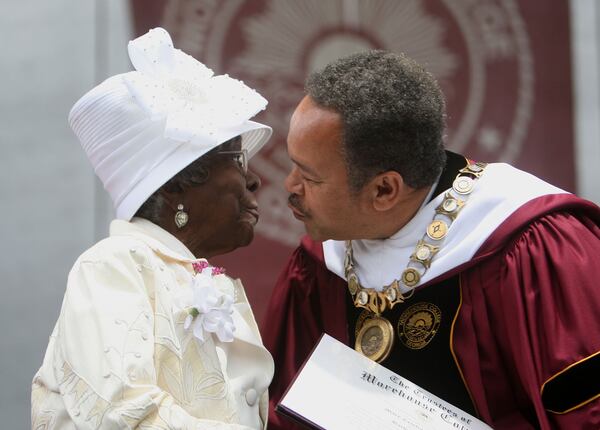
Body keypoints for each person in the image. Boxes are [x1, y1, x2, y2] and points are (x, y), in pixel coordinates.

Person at [263, 50, 600, 429]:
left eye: (309, 178)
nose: (289, 186)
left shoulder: (536, 248)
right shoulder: (319, 265)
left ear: (385, 190)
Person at [32, 28, 274, 429]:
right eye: (237, 161)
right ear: (179, 182)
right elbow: (122, 413)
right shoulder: (112, 265)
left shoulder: (191, 274)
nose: (253, 181)